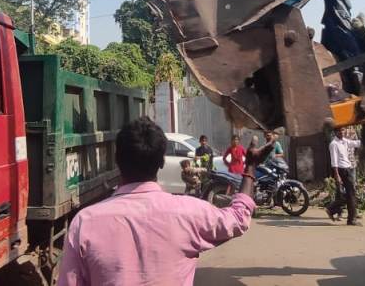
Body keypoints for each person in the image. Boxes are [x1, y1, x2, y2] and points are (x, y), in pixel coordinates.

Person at [58, 117, 275, 285]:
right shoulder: (188, 212)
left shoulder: (85, 223)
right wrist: (250, 167)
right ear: (162, 162)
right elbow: (238, 217)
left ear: (117, 160)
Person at [326, 127, 361, 225]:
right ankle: (351, 219)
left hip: (348, 168)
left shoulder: (344, 141)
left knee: (350, 194)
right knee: (351, 194)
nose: (342, 132)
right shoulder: (334, 144)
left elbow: (356, 143)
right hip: (342, 170)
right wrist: (337, 175)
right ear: (335, 132)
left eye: (343, 130)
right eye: (339, 131)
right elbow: (334, 161)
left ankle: (333, 209)